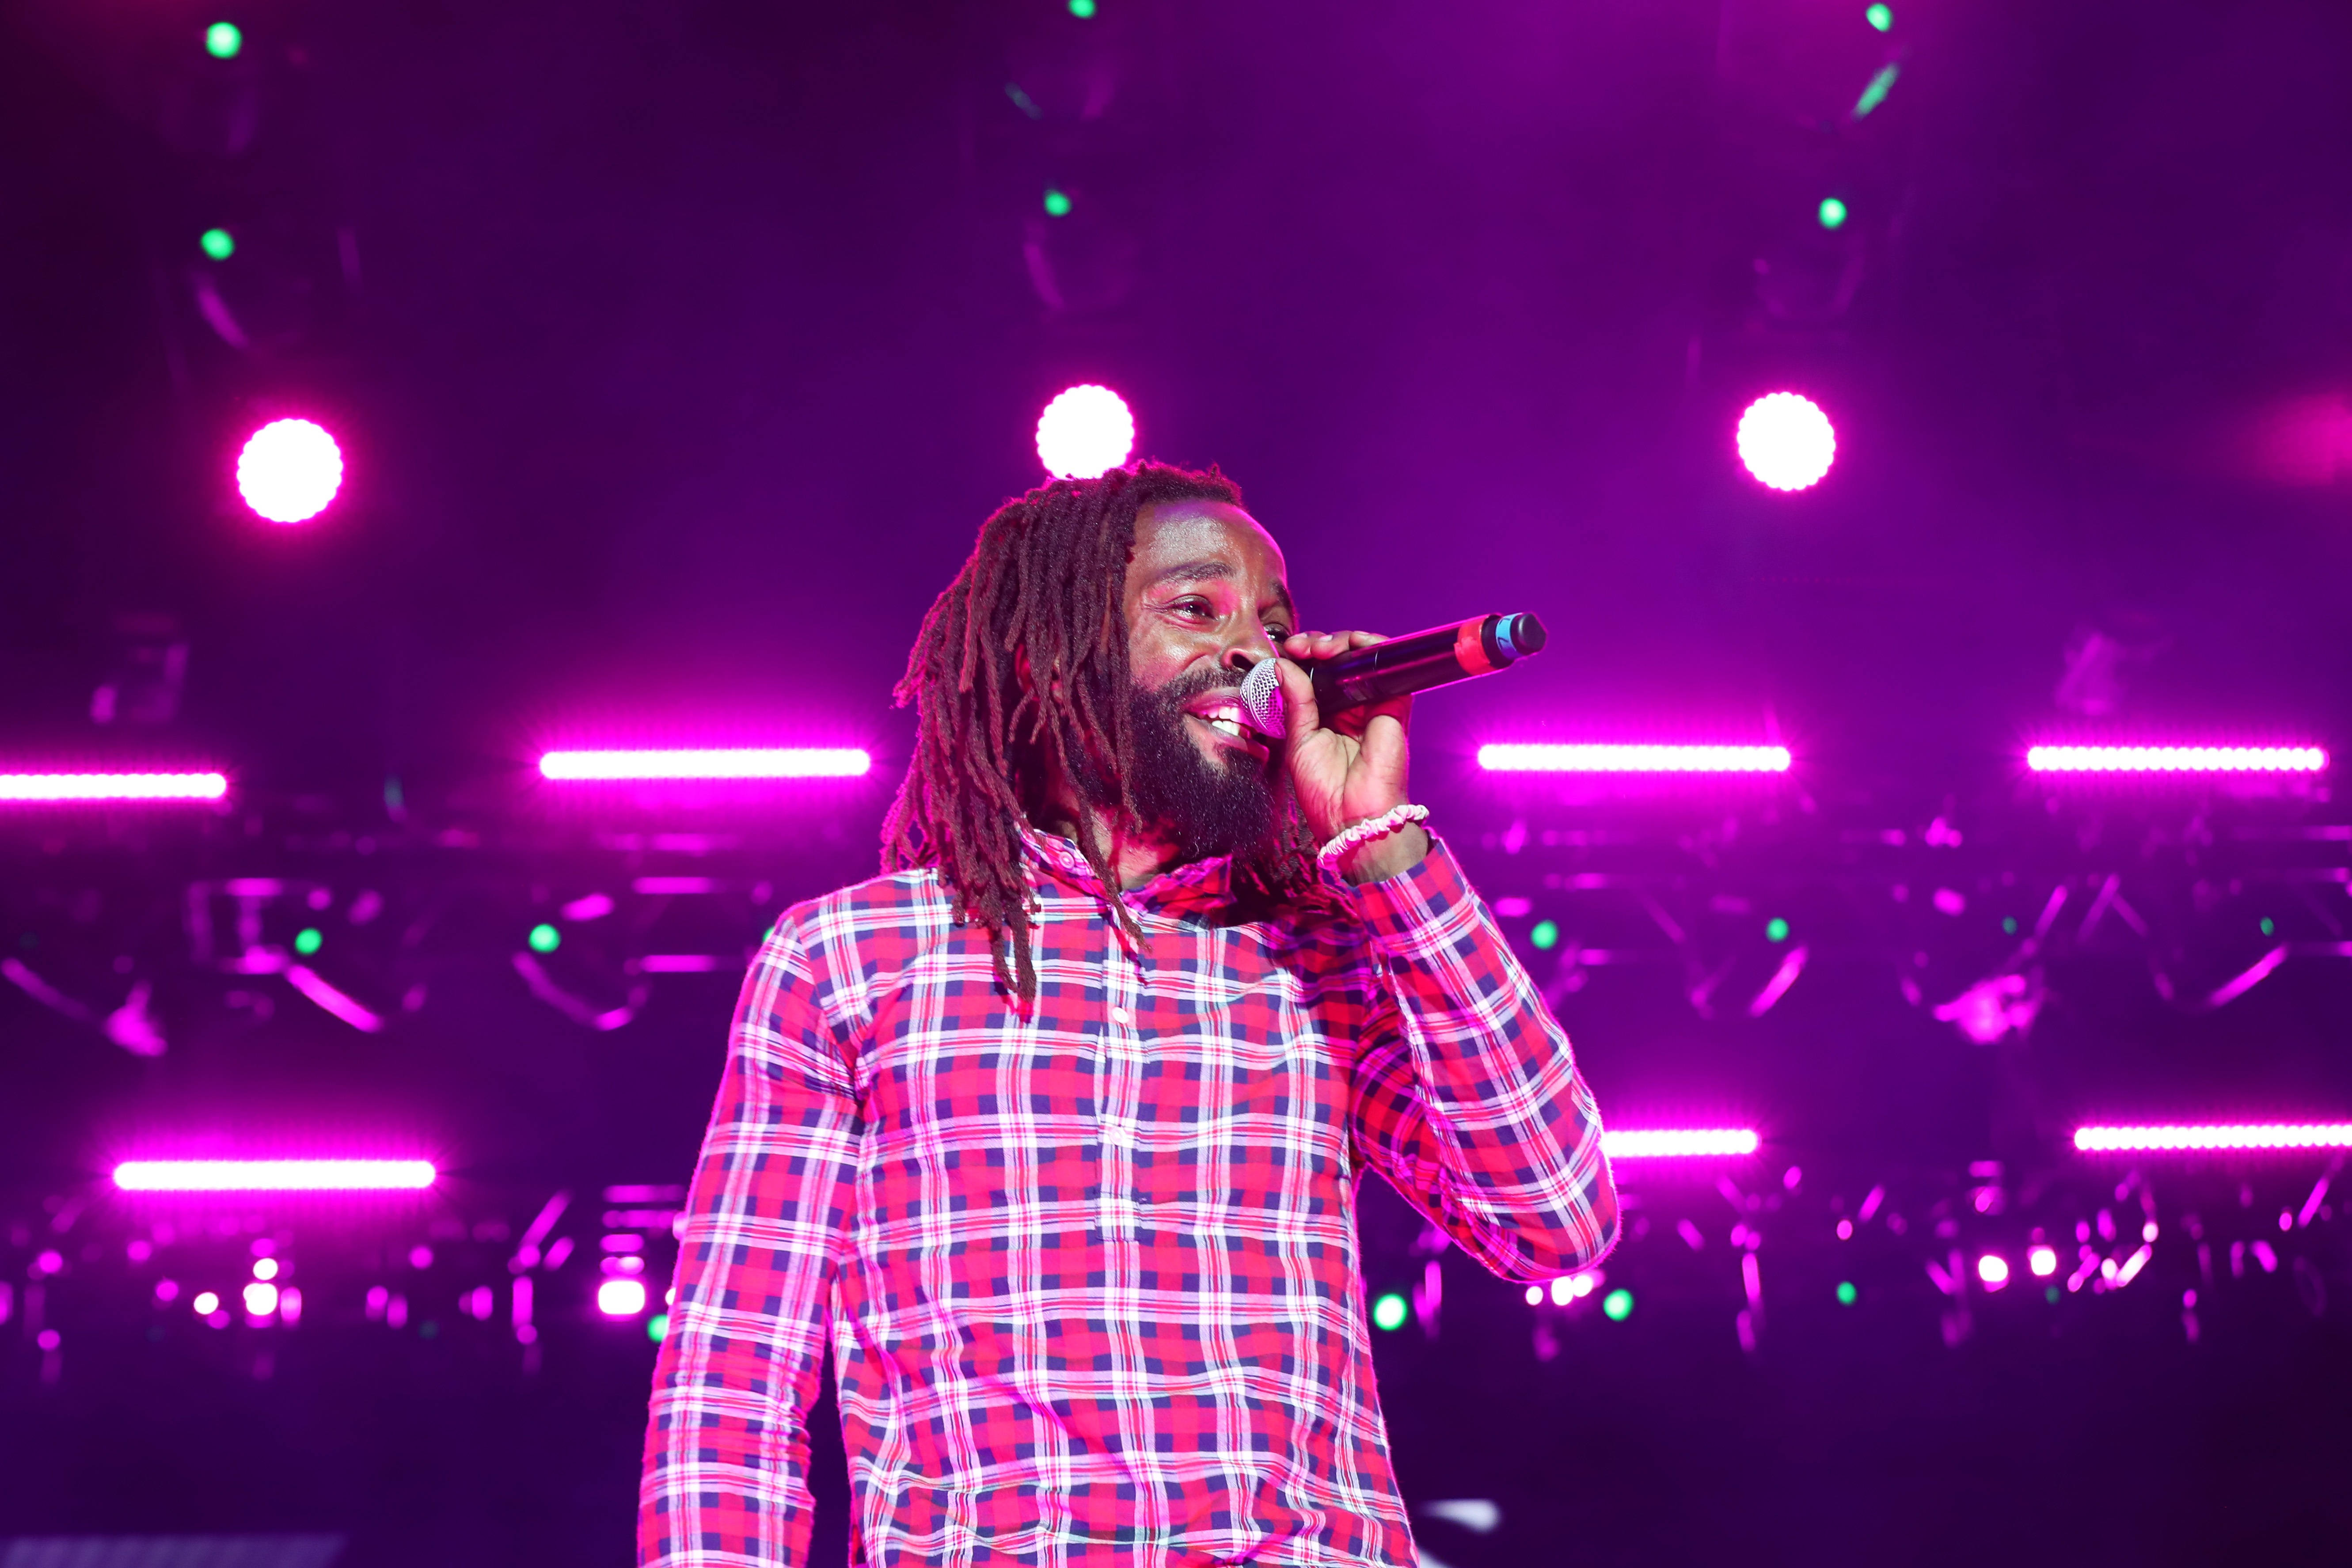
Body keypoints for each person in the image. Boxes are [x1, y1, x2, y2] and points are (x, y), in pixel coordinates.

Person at [637, 461, 1617, 1566]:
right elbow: (734, 1380)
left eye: (1273, 624)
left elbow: (1556, 1220)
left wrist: (1385, 852)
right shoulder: (851, 957)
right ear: (1052, 653)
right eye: (1196, 608)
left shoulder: (1326, 954)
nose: (1255, 654)